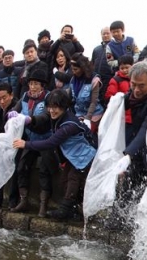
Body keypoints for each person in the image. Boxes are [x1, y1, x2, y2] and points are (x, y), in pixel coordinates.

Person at [12, 89, 96, 220]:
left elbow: (51, 142)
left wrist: (26, 144)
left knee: (73, 179)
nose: (51, 110)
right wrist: (28, 119)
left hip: (84, 156)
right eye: (50, 107)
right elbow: (43, 120)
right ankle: (75, 211)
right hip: (73, 157)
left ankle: (64, 210)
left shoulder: (69, 125)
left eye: (55, 107)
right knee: (64, 180)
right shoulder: (59, 117)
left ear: (64, 107)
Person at [114, 61, 147, 200]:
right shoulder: (134, 94)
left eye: (141, 85)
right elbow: (127, 100)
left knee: (143, 190)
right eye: (133, 84)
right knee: (127, 188)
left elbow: (146, 129)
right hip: (136, 144)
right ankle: (119, 217)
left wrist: (128, 155)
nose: (136, 89)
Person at [8, 69, 58, 217]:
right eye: (31, 83)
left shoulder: (49, 97)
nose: (33, 87)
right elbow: (16, 109)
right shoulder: (25, 96)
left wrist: (31, 119)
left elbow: (45, 116)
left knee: (44, 169)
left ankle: (43, 205)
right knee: (22, 166)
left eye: (36, 84)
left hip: (46, 139)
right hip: (30, 139)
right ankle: (23, 200)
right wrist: (12, 114)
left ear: (42, 85)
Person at [68, 53, 104, 134]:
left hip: (93, 115)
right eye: (72, 69)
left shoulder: (94, 80)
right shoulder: (73, 80)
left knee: (87, 134)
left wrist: (88, 118)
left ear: (83, 68)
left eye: (76, 69)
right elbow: (69, 97)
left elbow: (93, 102)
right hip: (79, 114)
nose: (73, 72)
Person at [91, 26, 114, 106]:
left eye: (108, 33)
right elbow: (92, 63)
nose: (106, 35)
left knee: (107, 100)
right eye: (104, 34)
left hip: (109, 79)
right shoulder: (96, 49)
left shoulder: (115, 47)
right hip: (97, 79)